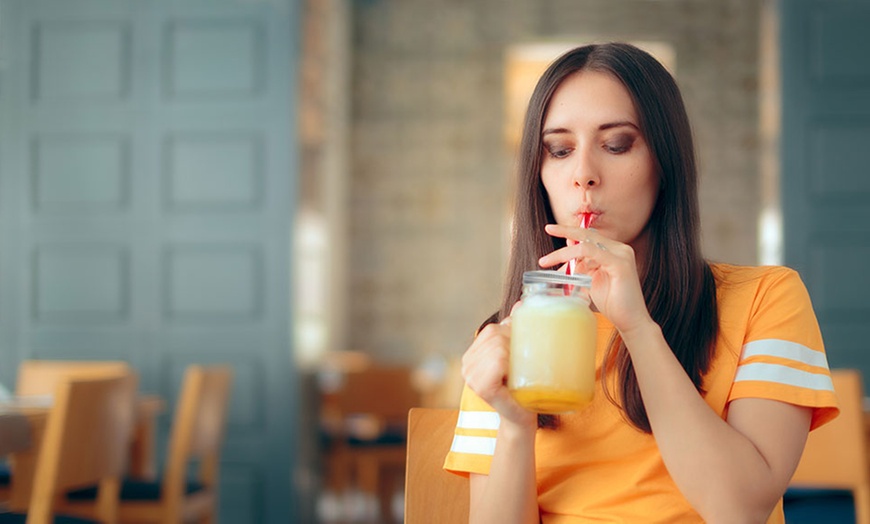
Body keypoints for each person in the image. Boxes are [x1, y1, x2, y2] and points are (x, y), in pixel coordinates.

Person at [443, 42, 838, 523]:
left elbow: (741, 509)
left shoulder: (766, 299)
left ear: (664, 162)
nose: (583, 175)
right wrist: (514, 423)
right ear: (538, 173)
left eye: (616, 145)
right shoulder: (507, 339)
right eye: (560, 150)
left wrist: (638, 328)